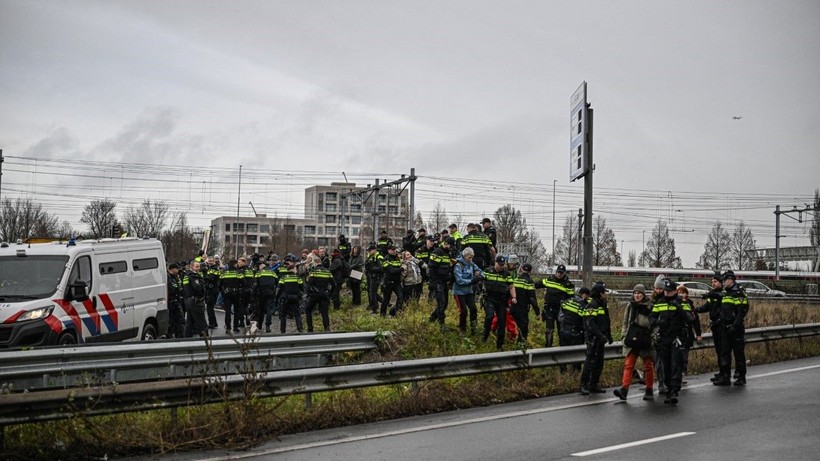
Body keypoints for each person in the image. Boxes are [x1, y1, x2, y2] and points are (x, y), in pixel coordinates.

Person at [650, 279, 692, 404]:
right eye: (666, 291)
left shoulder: (681, 303)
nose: (667, 293)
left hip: (677, 338)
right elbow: (651, 317)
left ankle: (674, 391)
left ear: (675, 291)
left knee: (676, 365)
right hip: (663, 338)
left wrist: (679, 308)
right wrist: (658, 322)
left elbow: (690, 318)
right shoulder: (660, 302)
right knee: (666, 366)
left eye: (670, 291)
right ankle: (668, 389)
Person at [613, 284, 656, 401]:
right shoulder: (630, 306)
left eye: (639, 293)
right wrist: (623, 336)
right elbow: (625, 322)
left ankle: (649, 389)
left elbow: (654, 324)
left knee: (648, 366)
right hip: (631, 338)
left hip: (645, 339)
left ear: (643, 294)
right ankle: (624, 390)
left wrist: (652, 339)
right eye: (635, 293)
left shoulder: (650, 307)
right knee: (628, 365)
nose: (637, 295)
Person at [715, 270, 749, 386]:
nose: (723, 282)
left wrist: (735, 325)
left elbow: (742, 311)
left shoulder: (739, 293)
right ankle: (725, 376)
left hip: (736, 328)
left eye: (725, 280)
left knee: (738, 353)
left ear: (731, 280)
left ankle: (741, 376)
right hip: (724, 328)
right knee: (724, 353)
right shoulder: (726, 293)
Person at [580, 283, 611, 395]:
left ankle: (594, 384)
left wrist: (609, 335)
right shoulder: (592, 305)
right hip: (593, 338)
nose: (605, 295)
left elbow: (606, 321)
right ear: (600, 293)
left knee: (599, 362)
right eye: (604, 292)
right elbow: (590, 323)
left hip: (601, 338)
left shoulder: (602, 304)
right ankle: (584, 384)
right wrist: (600, 335)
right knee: (590, 362)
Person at [482, 255, 517, 350]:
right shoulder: (488, 271)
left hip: (501, 300)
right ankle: (484, 337)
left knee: (502, 321)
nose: (501, 266)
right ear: (495, 263)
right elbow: (479, 280)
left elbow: (511, 286)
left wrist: (514, 297)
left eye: (502, 265)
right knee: (489, 316)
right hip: (490, 298)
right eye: (499, 264)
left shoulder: (507, 274)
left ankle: (500, 345)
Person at [697, 273, 725, 383]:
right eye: (712, 282)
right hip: (714, 325)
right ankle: (721, 372)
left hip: (721, 325)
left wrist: (709, 295)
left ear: (721, 283)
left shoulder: (722, 294)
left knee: (723, 350)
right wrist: (696, 310)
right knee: (718, 350)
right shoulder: (712, 295)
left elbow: (719, 297)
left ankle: (725, 373)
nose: (713, 284)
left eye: (715, 282)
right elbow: (706, 307)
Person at [539, 264, 575, 347]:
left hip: (561, 310)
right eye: (558, 272)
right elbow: (538, 284)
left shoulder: (568, 284)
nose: (559, 274)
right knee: (549, 329)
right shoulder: (550, 279)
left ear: (564, 273)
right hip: (549, 309)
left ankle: (562, 348)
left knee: (561, 330)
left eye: (561, 273)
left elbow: (571, 299)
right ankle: (548, 347)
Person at [452, 247, 484, 335]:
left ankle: (474, 328)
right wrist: (472, 281)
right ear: (465, 256)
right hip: (459, 292)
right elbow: (459, 280)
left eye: (472, 257)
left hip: (469, 291)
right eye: (469, 257)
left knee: (473, 309)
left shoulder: (472, 264)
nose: (471, 259)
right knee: (463, 311)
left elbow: (481, 272)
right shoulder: (458, 265)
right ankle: (462, 329)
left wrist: (479, 275)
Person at [559, 287, 589, 372]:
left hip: (563, 330)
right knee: (577, 354)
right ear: (584, 295)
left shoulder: (568, 301)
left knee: (563, 353)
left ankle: (562, 372)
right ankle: (575, 373)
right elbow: (583, 320)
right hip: (575, 332)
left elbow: (561, 314)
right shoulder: (583, 304)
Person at [304, 255, 336, 332]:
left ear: (315, 263)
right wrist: (330, 294)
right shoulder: (327, 271)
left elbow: (309, 285)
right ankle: (327, 328)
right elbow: (334, 285)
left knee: (308, 309)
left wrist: (307, 295)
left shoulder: (313, 272)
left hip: (315, 294)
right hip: (324, 294)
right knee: (324, 312)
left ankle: (310, 329)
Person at [676, 284, 702, 378]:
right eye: (679, 292)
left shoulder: (690, 305)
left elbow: (696, 321)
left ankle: (684, 370)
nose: (680, 294)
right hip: (677, 332)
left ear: (686, 294)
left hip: (687, 333)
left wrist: (698, 334)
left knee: (685, 353)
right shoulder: (675, 303)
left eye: (682, 292)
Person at [428, 237, 454, 327]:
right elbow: (431, 268)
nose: (451, 249)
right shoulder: (437, 252)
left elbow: (447, 267)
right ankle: (441, 324)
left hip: (444, 281)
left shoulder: (447, 253)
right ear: (446, 243)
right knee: (441, 303)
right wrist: (432, 282)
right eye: (450, 246)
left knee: (445, 303)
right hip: (437, 281)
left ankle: (432, 319)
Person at [511, 263, 540, 343]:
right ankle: (521, 348)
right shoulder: (529, 282)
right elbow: (532, 299)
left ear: (522, 269)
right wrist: (537, 312)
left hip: (513, 308)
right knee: (523, 330)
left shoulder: (515, 280)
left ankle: (512, 342)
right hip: (522, 309)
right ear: (530, 271)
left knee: (514, 326)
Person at [275, 256, 304, 334]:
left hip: (285, 298)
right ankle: (300, 329)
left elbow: (279, 289)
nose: (296, 270)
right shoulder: (298, 278)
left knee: (283, 315)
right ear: (292, 269)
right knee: (297, 314)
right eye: (295, 269)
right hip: (295, 298)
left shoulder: (283, 278)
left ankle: (282, 331)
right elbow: (302, 288)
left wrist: (276, 299)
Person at [182, 260, 209, 338]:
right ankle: (205, 339)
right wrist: (201, 283)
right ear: (191, 267)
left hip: (189, 301)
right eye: (196, 266)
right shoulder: (193, 276)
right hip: (195, 302)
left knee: (190, 322)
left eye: (199, 266)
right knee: (201, 322)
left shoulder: (186, 275)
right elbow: (198, 288)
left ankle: (187, 339)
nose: (198, 268)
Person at [219, 259, 245, 335]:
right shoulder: (238, 273)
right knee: (236, 311)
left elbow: (220, 285)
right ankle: (235, 327)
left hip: (227, 294)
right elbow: (244, 283)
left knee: (227, 311)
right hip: (236, 294)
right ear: (234, 264)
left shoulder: (224, 273)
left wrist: (224, 293)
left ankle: (228, 328)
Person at [254, 261, 279, 333]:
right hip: (270, 293)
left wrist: (254, 295)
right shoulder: (273, 273)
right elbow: (277, 283)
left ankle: (260, 325)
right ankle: (268, 326)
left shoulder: (259, 273)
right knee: (269, 310)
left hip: (261, 293)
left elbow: (255, 285)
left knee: (261, 310)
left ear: (261, 267)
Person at [381, 245, 404, 316]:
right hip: (388, 282)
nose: (394, 251)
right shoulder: (386, 259)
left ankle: (396, 312)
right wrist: (401, 269)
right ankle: (382, 315)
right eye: (392, 249)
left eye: (395, 249)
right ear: (388, 250)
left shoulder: (398, 258)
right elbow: (391, 271)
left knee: (401, 297)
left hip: (397, 282)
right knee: (386, 300)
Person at [166, 263, 184, 338]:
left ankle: (179, 336)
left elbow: (180, 288)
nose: (178, 270)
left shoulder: (177, 277)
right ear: (172, 269)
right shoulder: (168, 277)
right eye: (177, 269)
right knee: (171, 321)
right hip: (171, 302)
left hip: (177, 301)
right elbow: (171, 289)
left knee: (180, 319)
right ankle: (169, 336)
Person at [364, 245, 384, 314]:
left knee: (372, 293)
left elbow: (381, 268)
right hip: (372, 276)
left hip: (377, 277)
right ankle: (383, 303)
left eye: (370, 250)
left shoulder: (379, 257)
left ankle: (375, 308)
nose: (369, 252)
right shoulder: (372, 256)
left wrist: (372, 269)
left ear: (374, 250)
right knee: (372, 292)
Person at [203, 257, 221, 329]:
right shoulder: (211, 268)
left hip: (212, 290)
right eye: (209, 261)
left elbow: (211, 278)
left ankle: (211, 323)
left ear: (214, 261)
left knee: (210, 308)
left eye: (211, 261)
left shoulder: (214, 269)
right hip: (212, 289)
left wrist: (204, 274)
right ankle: (214, 323)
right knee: (210, 308)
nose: (209, 262)